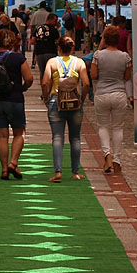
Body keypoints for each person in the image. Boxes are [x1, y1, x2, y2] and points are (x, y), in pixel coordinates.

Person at [0, 30, 33, 179]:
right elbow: (29, 78)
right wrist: (22, 88)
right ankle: (13, 162)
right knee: (19, 133)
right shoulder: (18, 58)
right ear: (12, 42)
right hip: (14, 99)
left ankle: (4, 170)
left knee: (2, 136)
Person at [43, 37, 90, 182]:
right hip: (75, 104)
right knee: (75, 138)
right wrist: (81, 99)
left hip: (56, 102)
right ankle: (75, 172)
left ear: (59, 47)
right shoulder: (79, 63)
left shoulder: (52, 62)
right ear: (72, 48)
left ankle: (58, 172)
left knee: (57, 137)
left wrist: (46, 98)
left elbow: (45, 82)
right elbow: (87, 83)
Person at [90, 26, 132, 174]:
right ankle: (117, 159)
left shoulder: (98, 55)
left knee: (103, 126)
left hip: (102, 94)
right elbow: (127, 77)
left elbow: (93, 75)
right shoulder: (125, 57)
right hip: (119, 94)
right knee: (118, 127)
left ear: (105, 39)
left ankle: (107, 154)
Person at [31, 13, 60, 79]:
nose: (56, 22)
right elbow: (58, 41)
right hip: (51, 52)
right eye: (55, 21)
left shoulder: (38, 28)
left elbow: (32, 41)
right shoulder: (54, 29)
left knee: (42, 73)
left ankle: (43, 85)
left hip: (39, 52)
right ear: (50, 19)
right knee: (51, 73)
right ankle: (49, 85)